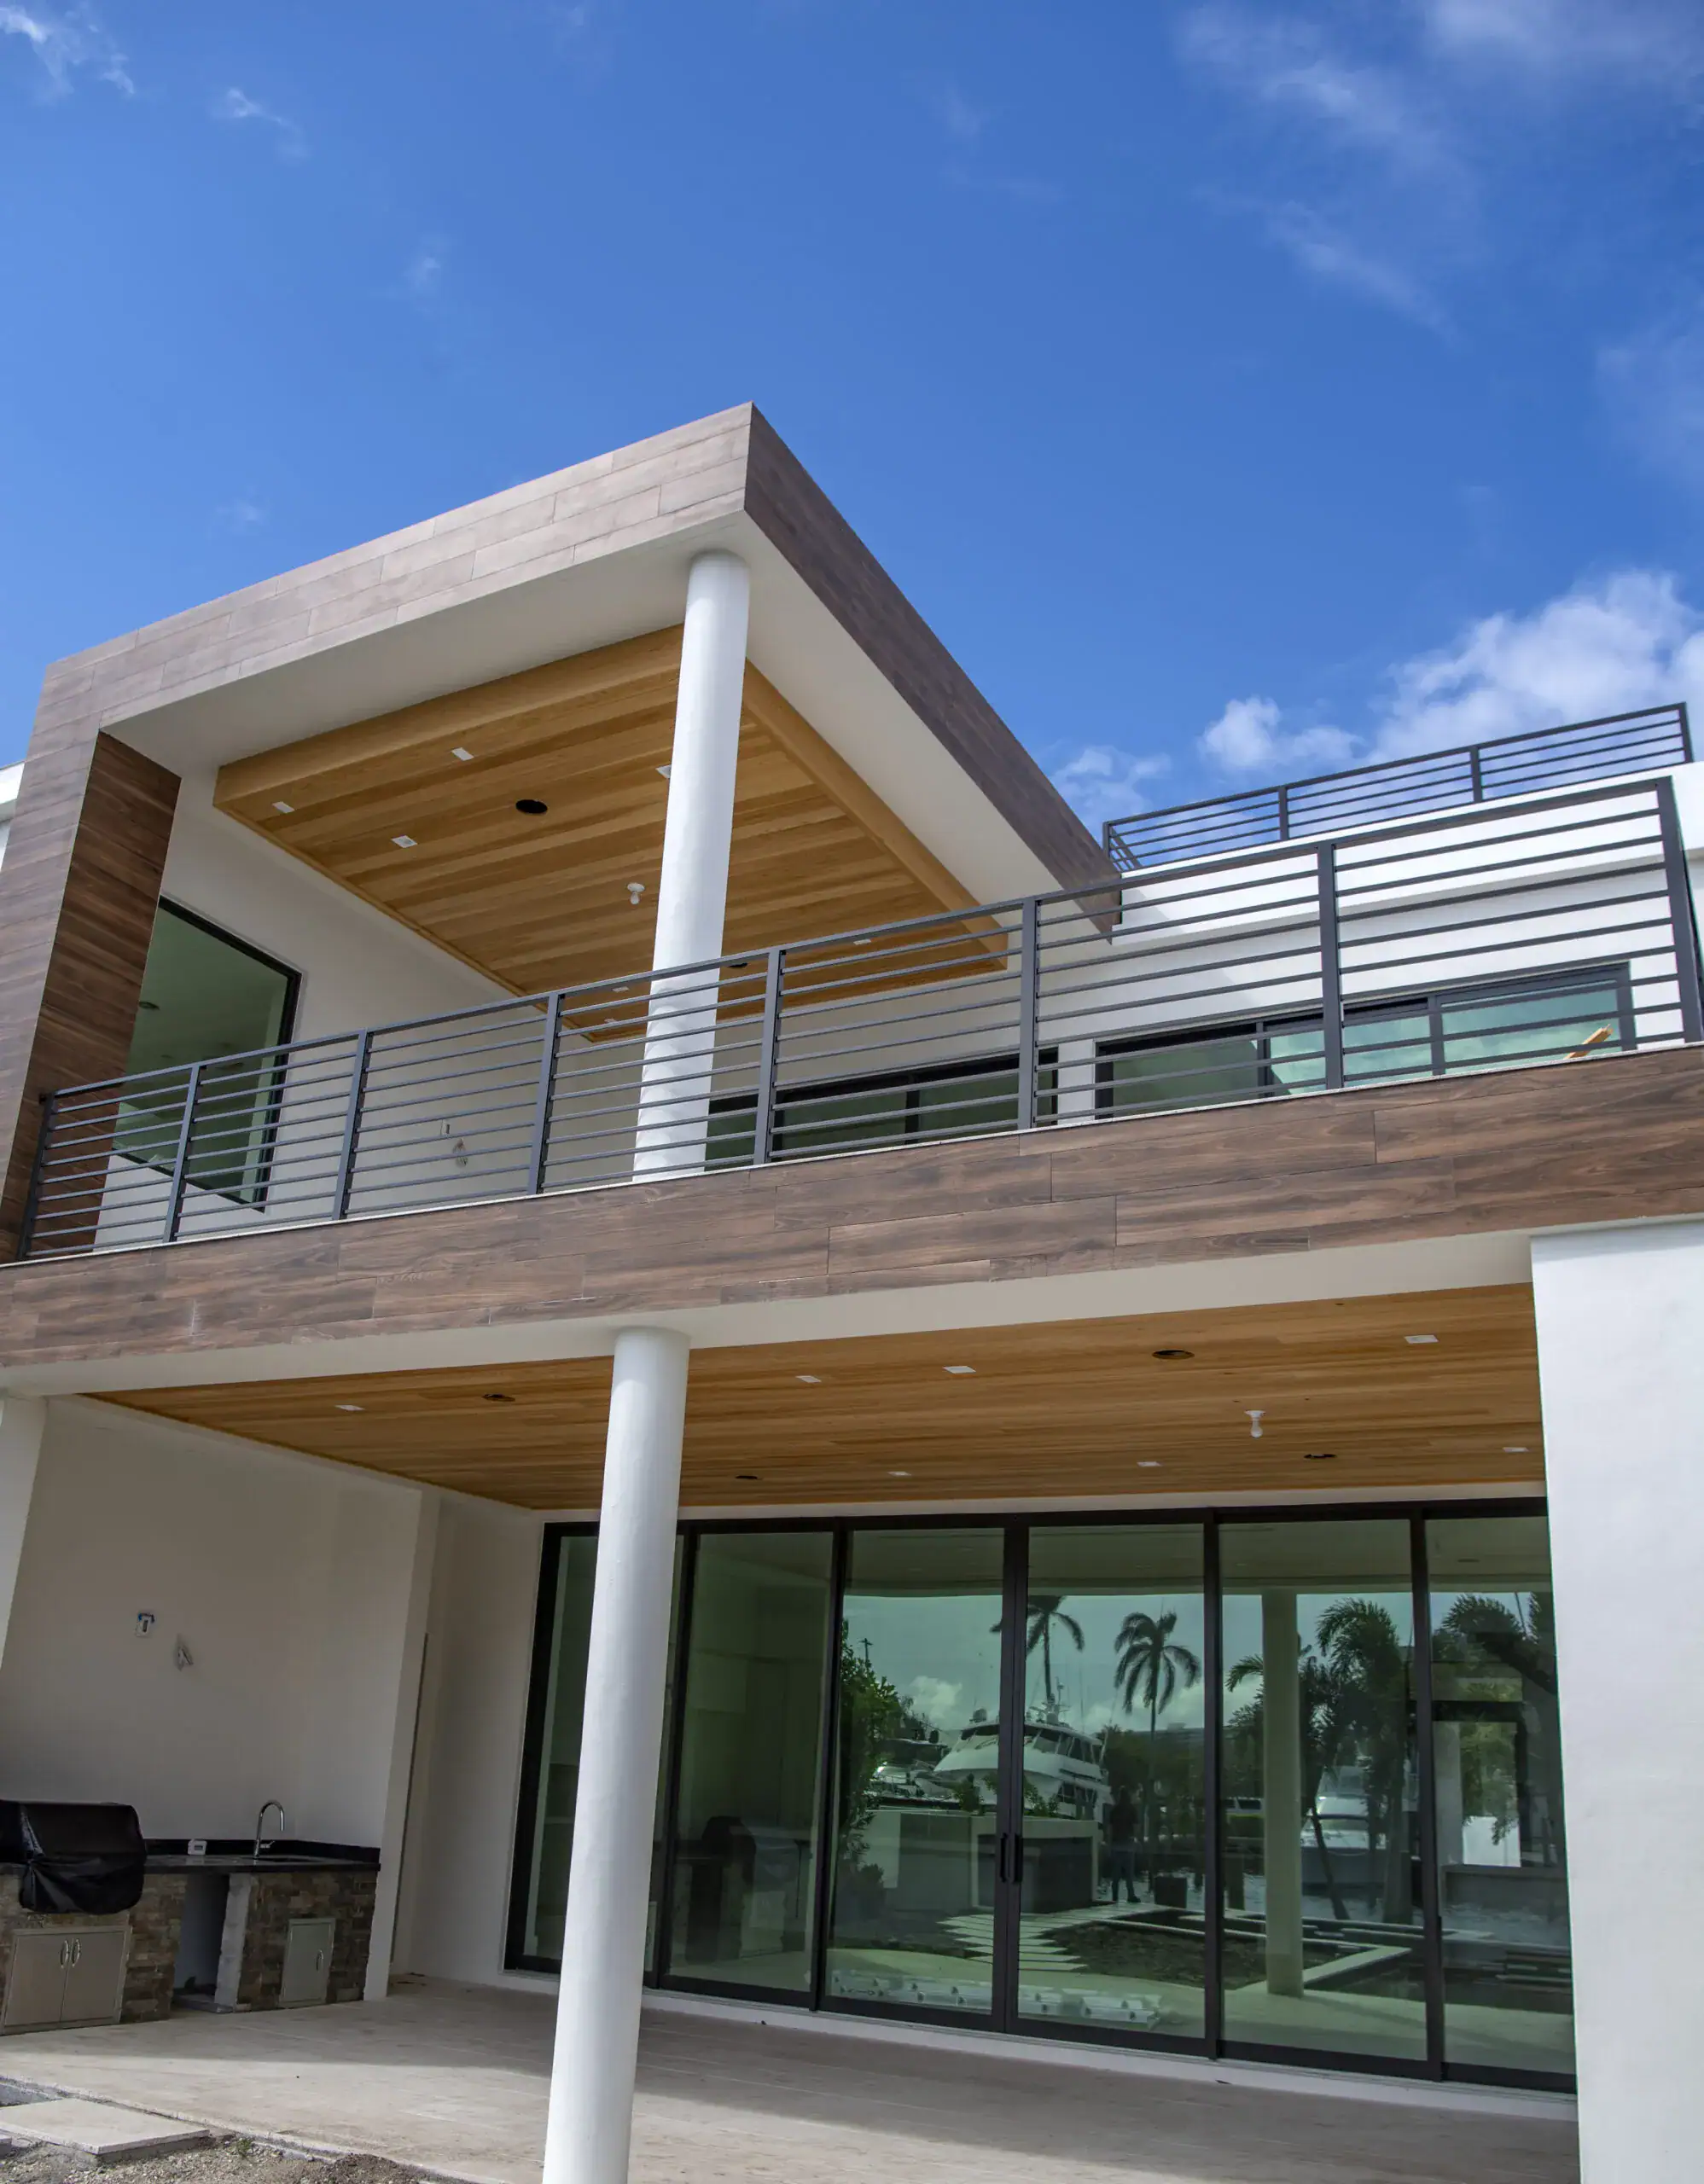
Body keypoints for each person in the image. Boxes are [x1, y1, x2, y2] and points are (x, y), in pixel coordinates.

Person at [1105, 1786, 1139, 1904]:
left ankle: (1115, 1897)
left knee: (1116, 1874)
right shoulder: (1132, 1809)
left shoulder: (1114, 1810)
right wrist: (1135, 1840)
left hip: (1116, 1845)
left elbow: (1109, 1830)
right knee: (1129, 1873)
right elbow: (1135, 1828)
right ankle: (1131, 1895)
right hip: (1128, 1845)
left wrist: (1109, 1846)